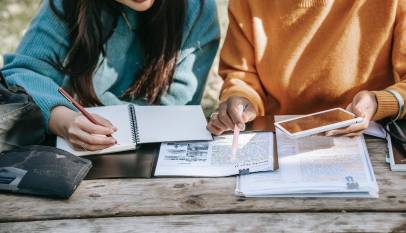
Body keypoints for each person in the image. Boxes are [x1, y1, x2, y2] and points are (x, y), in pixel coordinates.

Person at [1, 0, 220, 151]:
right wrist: (63, 120)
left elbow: (177, 111)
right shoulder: (68, 5)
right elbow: (22, 73)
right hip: (74, 153)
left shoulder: (197, 8)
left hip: (157, 155)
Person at [207, 0, 406, 137]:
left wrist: (379, 102)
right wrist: (242, 101)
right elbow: (242, 74)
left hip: (372, 139)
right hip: (278, 138)